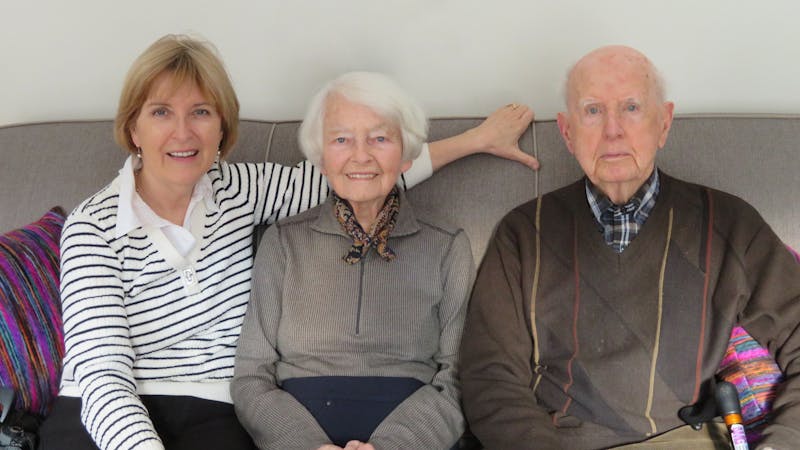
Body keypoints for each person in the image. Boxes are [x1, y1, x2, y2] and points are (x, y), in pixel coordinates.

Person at [38, 34, 536, 450]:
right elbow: (104, 378)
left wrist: (475, 140)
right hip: (101, 418)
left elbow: (355, 174)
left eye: (202, 112)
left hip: (214, 408)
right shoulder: (92, 227)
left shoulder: (240, 189)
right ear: (133, 127)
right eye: (162, 112)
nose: (183, 132)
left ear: (222, 127)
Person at [459, 45, 800, 450]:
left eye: (632, 108)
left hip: (678, 439)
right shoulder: (521, 233)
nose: (612, 130)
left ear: (664, 123)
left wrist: (785, 441)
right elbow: (489, 374)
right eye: (592, 111)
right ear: (567, 132)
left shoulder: (729, 223)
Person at [231, 72, 472, 450]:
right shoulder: (283, 241)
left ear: (406, 154)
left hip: (411, 432)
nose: (361, 155)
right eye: (341, 139)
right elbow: (250, 375)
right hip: (299, 431)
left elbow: (459, 376)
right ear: (322, 158)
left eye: (379, 138)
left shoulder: (447, 245)